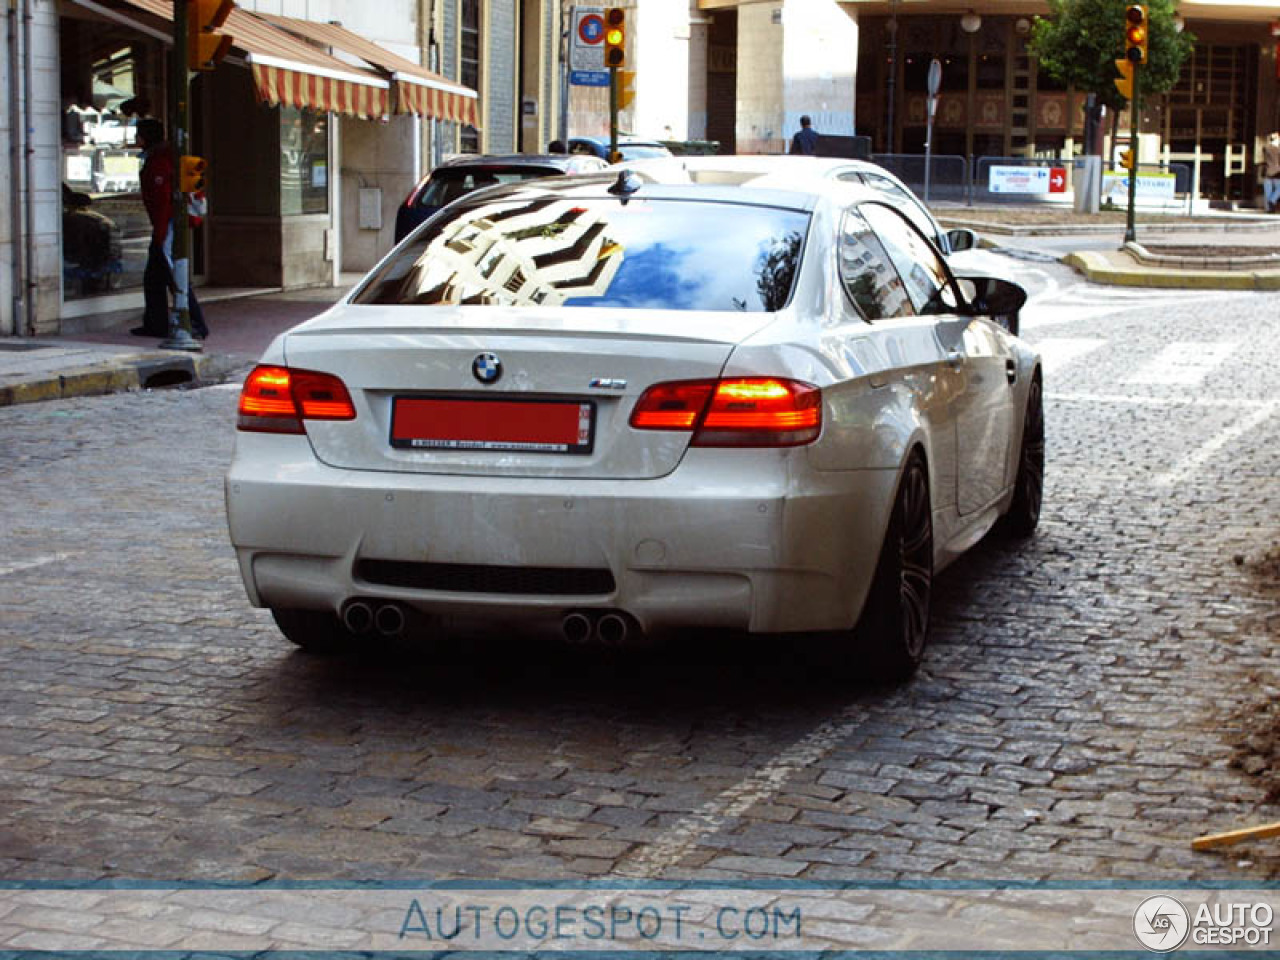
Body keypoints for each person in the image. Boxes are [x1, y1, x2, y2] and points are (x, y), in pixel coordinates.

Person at [132, 118, 207, 338]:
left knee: (174, 275)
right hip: (169, 224)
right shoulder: (171, 156)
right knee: (155, 277)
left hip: (169, 226)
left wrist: (161, 231)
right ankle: (156, 323)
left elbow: (163, 201)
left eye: (138, 134)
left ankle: (195, 323)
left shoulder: (159, 162)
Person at [1263, 131, 1280, 214]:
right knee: (1278, 189)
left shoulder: (1266, 148)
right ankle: (1272, 201)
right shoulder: (1278, 149)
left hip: (1267, 171)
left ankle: (1269, 209)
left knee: (1268, 191)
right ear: (1277, 139)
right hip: (1277, 172)